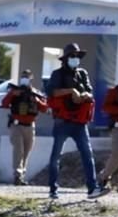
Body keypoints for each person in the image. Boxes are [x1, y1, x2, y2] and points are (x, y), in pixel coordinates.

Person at [46, 43, 107, 200]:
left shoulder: (82, 74)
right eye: (72, 56)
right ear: (66, 58)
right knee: (55, 156)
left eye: (77, 56)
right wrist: (70, 91)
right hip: (62, 122)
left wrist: (84, 95)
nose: (75, 59)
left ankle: (92, 189)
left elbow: (90, 92)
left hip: (79, 123)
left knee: (87, 154)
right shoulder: (57, 74)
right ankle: (53, 189)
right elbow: (51, 92)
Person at [0, 69, 48, 185]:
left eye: (27, 77)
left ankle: (21, 175)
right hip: (16, 125)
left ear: (31, 79)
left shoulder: (35, 93)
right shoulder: (15, 91)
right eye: (23, 76)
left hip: (30, 126)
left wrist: (37, 101)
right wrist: (12, 94)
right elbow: (4, 104)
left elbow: (45, 108)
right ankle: (17, 175)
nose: (24, 78)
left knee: (26, 152)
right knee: (18, 150)